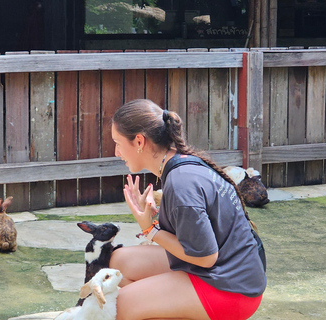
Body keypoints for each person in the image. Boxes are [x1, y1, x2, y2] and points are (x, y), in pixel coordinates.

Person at [109, 99, 266, 320]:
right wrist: (156, 216)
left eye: (117, 142)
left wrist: (151, 230)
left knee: (120, 304)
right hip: (222, 271)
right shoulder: (180, 162)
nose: (116, 152)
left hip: (231, 289)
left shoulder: (181, 183)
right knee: (118, 263)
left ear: (139, 141)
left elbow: (206, 257)